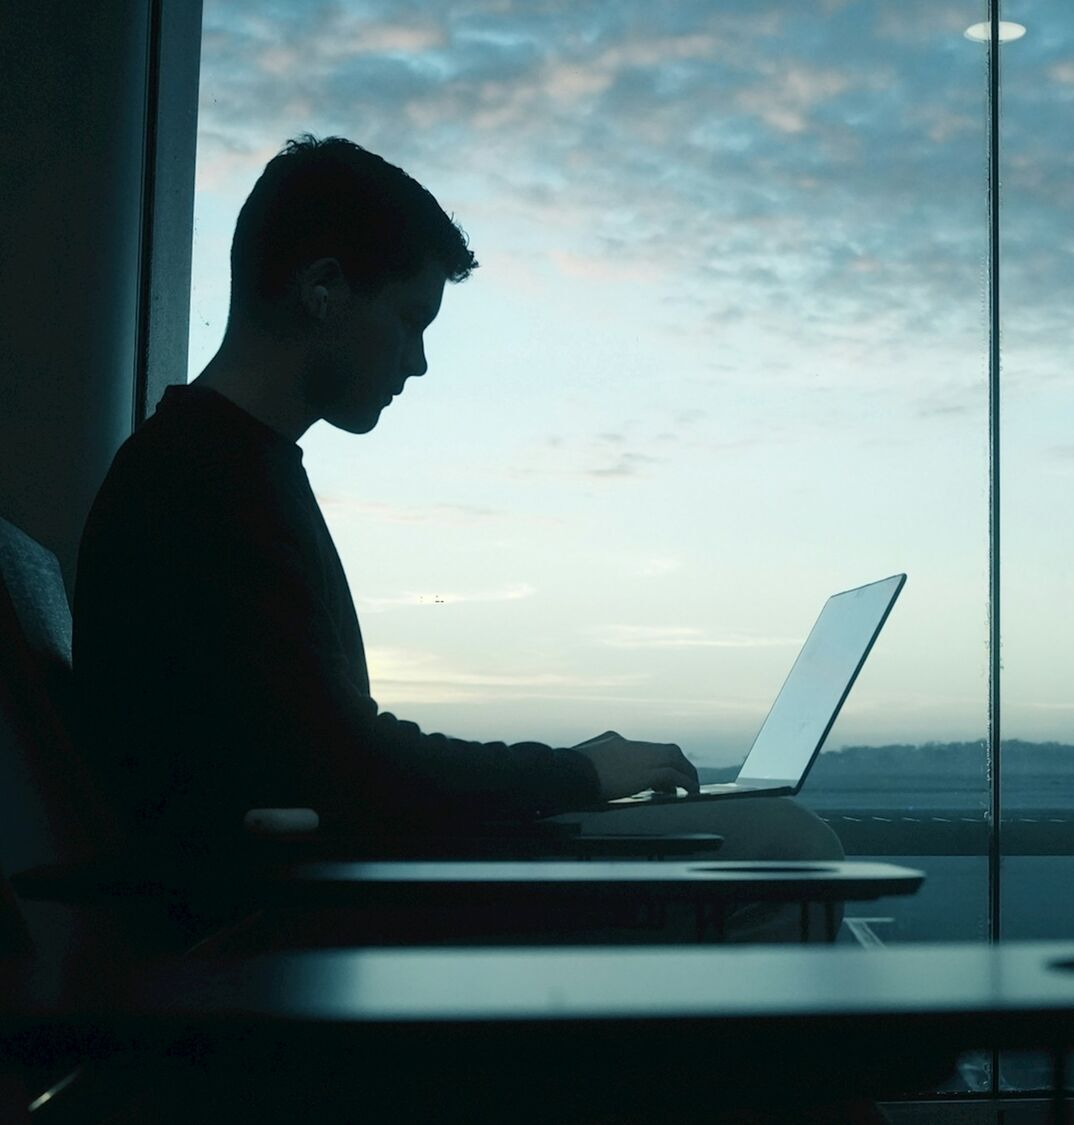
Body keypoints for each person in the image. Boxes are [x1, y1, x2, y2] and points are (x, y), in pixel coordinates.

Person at [71, 136, 842, 897]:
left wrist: (566, 777)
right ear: (324, 290)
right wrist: (573, 773)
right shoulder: (204, 485)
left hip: (337, 877)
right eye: (411, 320)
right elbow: (344, 764)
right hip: (310, 914)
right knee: (785, 848)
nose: (418, 361)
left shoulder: (216, 469)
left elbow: (320, 752)